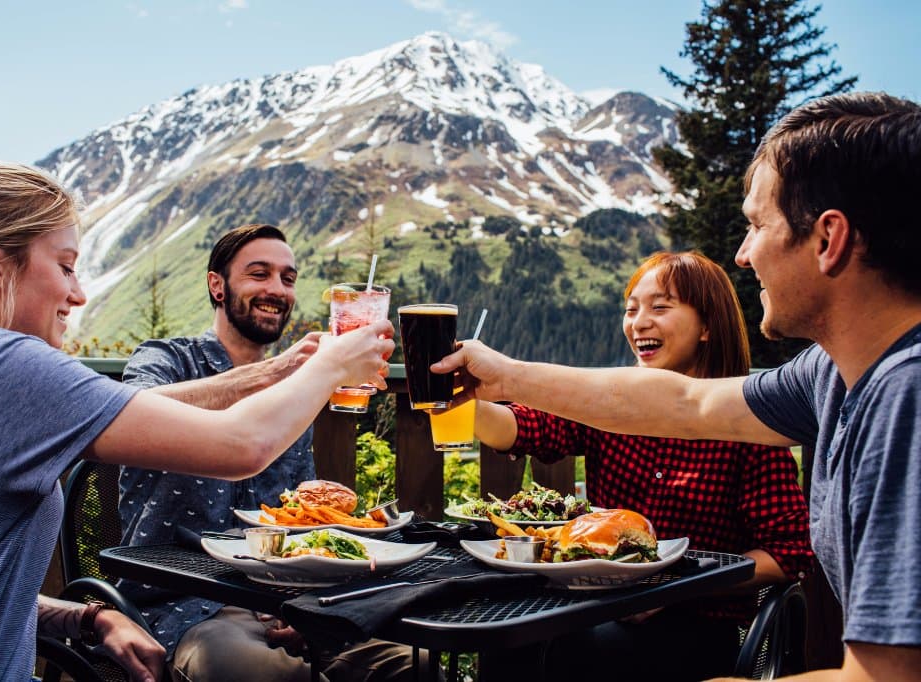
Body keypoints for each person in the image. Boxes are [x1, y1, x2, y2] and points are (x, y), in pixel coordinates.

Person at [434, 91, 921, 681]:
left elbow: (885, 678)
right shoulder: (832, 373)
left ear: (828, 239)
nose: (743, 255)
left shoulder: (906, 398)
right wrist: (503, 376)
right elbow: (686, 401)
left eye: (757, 225)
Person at [0, 162, 394, 682]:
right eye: (66, 266)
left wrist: (88, 616)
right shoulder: (4, 364)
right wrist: (333, 362)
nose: (78, 293)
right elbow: (242, 446)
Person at [473, 250, 812, 680]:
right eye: (631, 309)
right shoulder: (611, 409)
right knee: (508, 637)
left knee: (566, 651)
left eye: (660, 307)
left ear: (707, 326)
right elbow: (524, 428)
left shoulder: (746, 428)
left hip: (695, 624)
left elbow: (788, 554)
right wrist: (460, 402)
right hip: (596, 608)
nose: (638, 322)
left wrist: (674, 586)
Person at [118, 223, 422, 681]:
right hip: (186, 607)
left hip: (294, 605)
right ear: (216, 285)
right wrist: (280, 371)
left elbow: (299, 520)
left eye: (288, 278)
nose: (276, 289)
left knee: (412, 664)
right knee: (257, 673)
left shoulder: (295, 395)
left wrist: (306, 603)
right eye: (259, 274)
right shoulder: (166, 359)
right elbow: (128, 412)